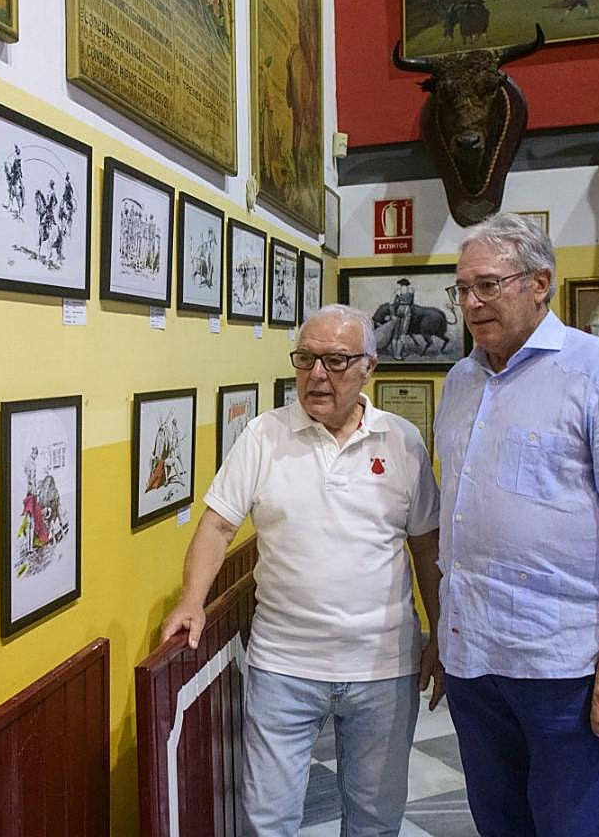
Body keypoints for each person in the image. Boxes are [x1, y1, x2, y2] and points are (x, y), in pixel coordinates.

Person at [433, 212, 599, 837]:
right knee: (499, 823)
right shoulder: (462, 380)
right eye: (462, 288)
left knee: (571, 824)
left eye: (488, 285)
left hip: (564, 664)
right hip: (474, 657)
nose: (470, 302)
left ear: (539, 282)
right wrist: (443, 632)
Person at [160, 304, 443, 836]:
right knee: (268, 821)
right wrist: (191, 599)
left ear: (368, 367)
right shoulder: (264, 436)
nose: (317, 374)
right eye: (306, 359)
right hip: (282, 666)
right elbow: (217, 526)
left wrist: (440, 635)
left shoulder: (402, 441)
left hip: (382, 666)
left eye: (335, 361)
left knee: (375, 821)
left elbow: (426, 547)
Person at [391, 277, 415, 360]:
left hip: (399, 309)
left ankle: (394, 354)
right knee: (403, 333)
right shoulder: (411, 290)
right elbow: (412, 302)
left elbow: (392, 303)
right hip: (407, 309)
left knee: (396, 333)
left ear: (400, 284)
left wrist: (392, 315)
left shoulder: (398, 290)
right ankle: (398, 355)